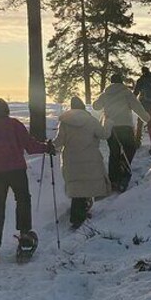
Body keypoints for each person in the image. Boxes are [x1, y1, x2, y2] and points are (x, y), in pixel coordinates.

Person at [0, 98, 52, 264]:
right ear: (7, 110)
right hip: (17, 170)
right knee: (23, 199)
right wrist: (46, 147)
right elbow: (29, 145)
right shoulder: (14, 124)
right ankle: (25, 234)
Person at [52, 97, 111, 229]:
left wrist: (48, 146)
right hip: (90, 159)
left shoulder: (65, 122)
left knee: (77, 186)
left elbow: (59, 142)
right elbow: (104, 134)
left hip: (71, 160)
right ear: (83, 107)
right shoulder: (90, 120)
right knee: (86, 185)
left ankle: (78, 214)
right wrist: (108, 122)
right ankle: (79, 215)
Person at [93, 74, 150, 192]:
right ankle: (123, 172)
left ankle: (113, 180)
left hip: (110, 128)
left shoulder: (105, 94)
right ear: (121, 82)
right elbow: (137, 107)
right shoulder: (126, 92)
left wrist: (101, 101)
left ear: (111, 82)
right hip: (125, 127)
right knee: (130, 148)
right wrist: (147, 118)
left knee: (114, 153)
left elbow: (96, 106)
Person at [133, 66, 151, 154]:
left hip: (143, 105)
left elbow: (135, 93)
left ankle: (137, 141)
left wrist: (131, 102)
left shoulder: (141, 80)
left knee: (140, 123)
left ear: (143, 72)